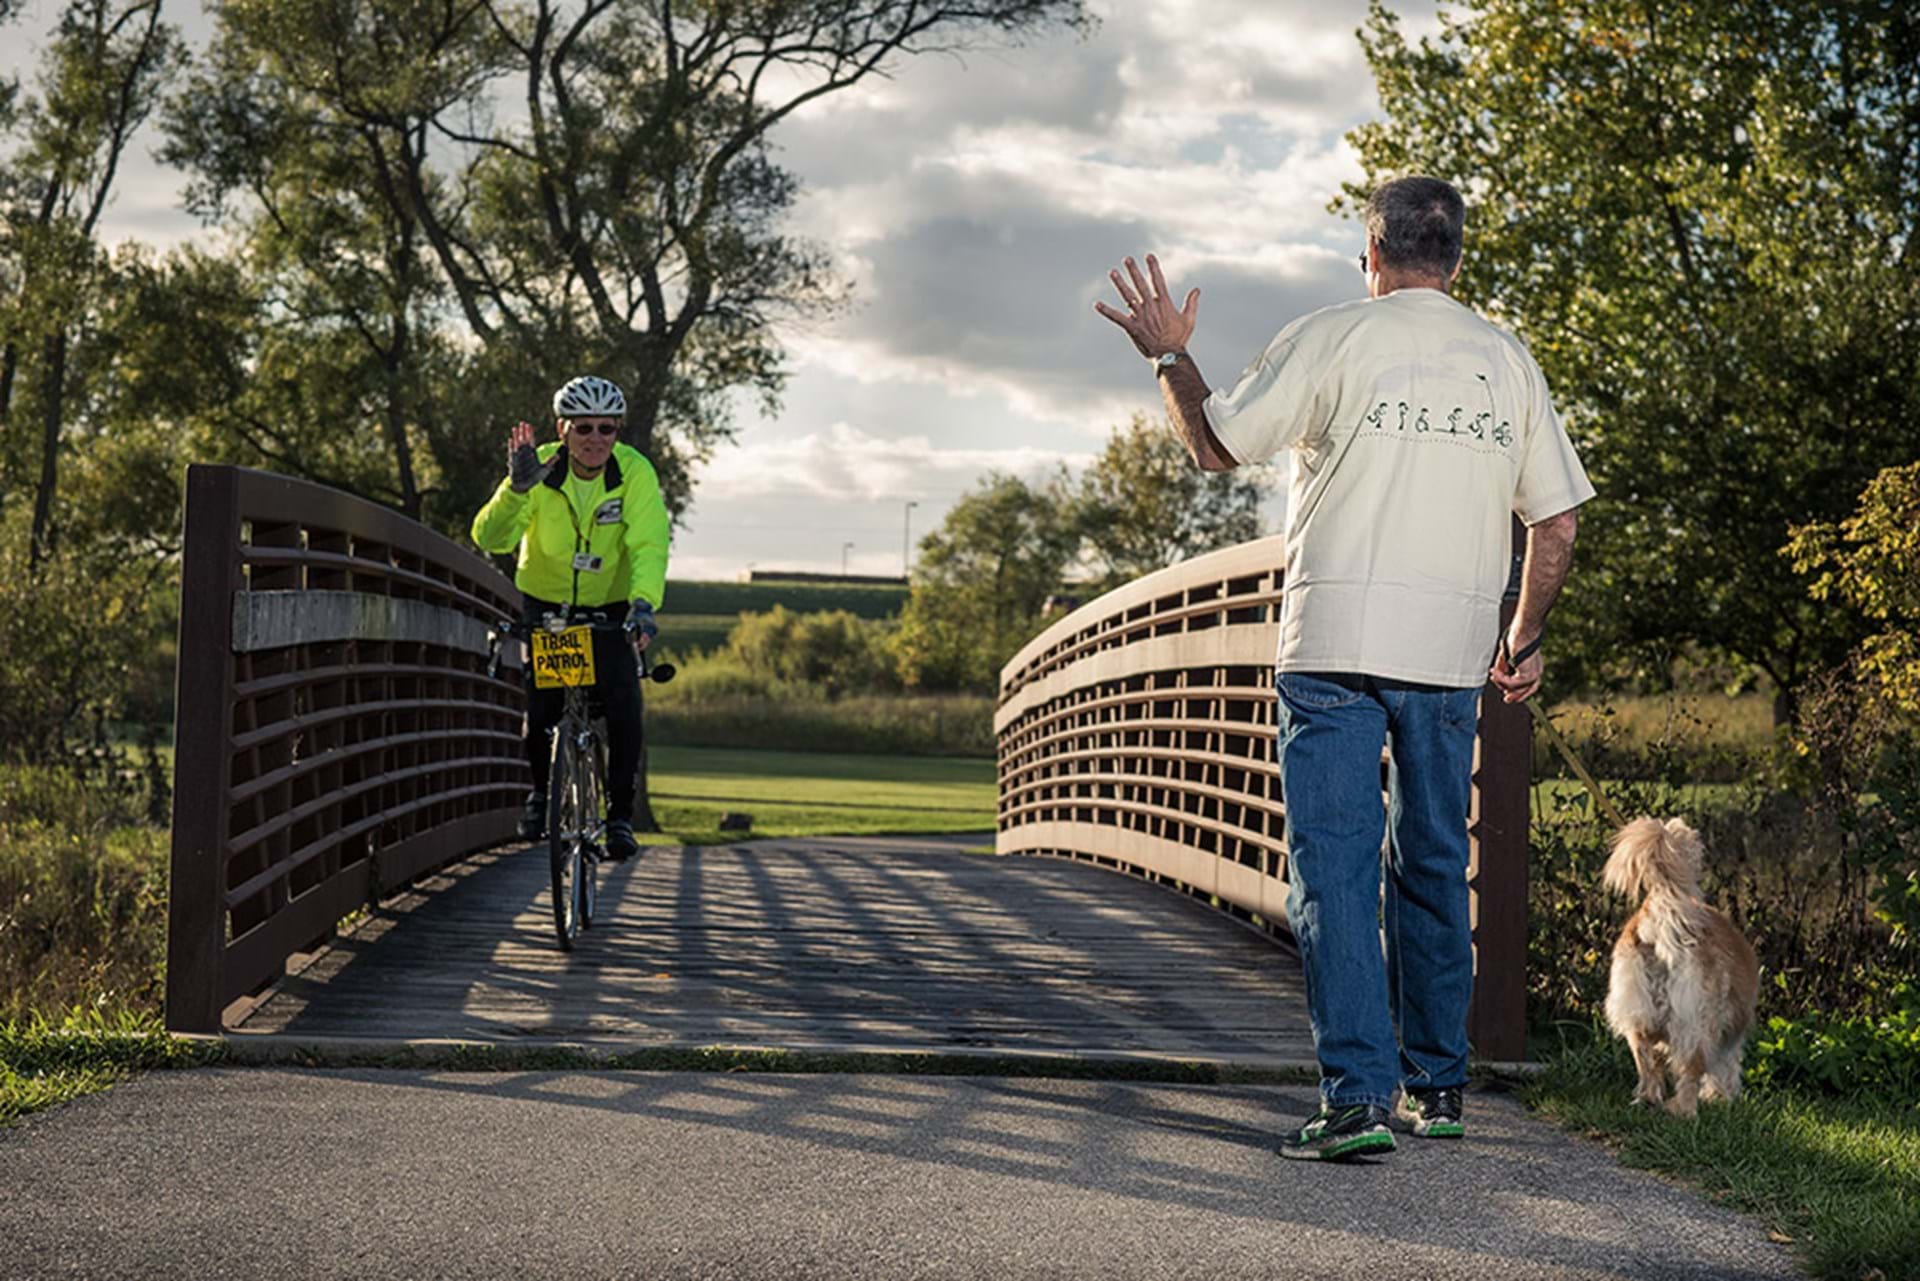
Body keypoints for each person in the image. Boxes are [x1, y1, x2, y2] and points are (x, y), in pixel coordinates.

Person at [1095, 176, 1591, 1161]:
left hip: (1332, 647)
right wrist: (1523, 636)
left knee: (1334, 871)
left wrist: (1168, 354)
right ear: (1455, 259)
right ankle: (1437, 1087)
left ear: (1371, 255)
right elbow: (1558, 521)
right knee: (1435, 863)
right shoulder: (1507, 360)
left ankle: (1358, 1101)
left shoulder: (1330, 337)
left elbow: (1215, 446)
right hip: (1449, 657)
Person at [471, 375, 670, 863]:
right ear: (562, 429)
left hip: (611, 606)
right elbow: (491, 539)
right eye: (584, 428)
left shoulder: (634, 472)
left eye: (607, 428)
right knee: (542, 708)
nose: (596, 438)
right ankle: (542, 794)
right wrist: (515, 491)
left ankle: (619, 816)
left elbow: (648, 543)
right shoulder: (537, 467)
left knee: (624, 704)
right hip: (547, 605)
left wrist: (644, 605)